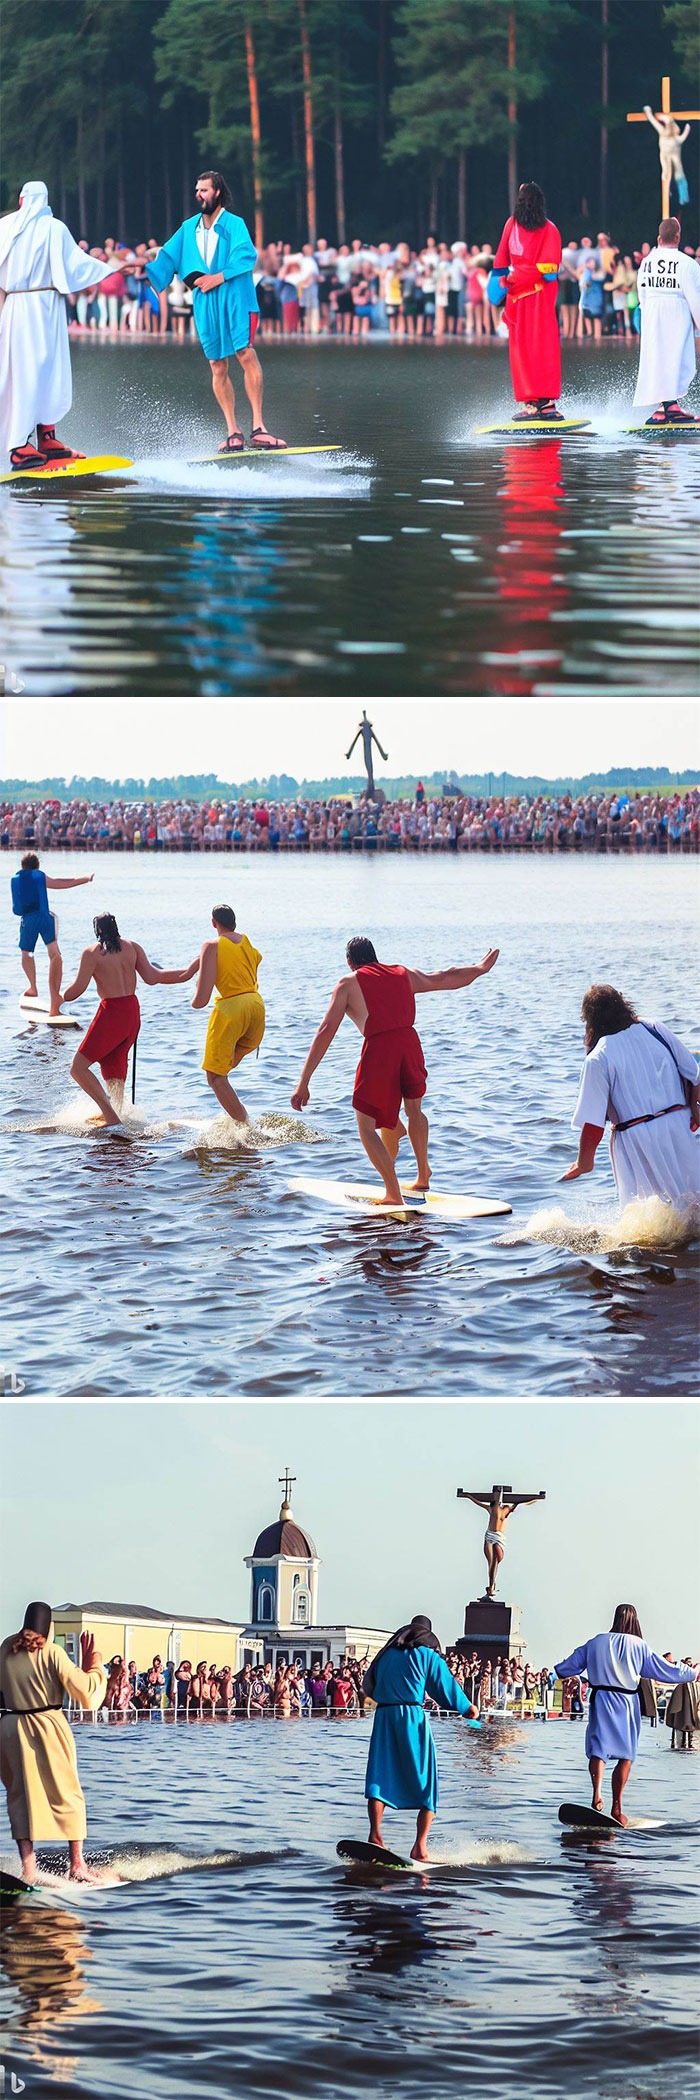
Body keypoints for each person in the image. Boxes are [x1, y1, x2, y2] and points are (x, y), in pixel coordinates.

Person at [291, 935, 499, 1205]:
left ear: (349, 962)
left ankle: (393, 1193)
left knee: (365, 1127)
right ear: (375, 956)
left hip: (380, 1050)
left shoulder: (347, 983)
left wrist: (304, 1081)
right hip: (410, 1044)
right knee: (414, 1110)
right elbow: (444, 977)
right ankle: (423, 1175)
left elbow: (325, 1030)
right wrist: (479, 969)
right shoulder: (404, 973)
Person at [146, 171, 285, 453]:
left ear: (218, 192)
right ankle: (233, 431)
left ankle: (259, 428)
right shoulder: (188, 227)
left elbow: (246, 255)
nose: (199, 194)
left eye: (204, 190)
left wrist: (217, 277)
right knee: (216, 364)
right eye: (197, 190)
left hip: (235, 295)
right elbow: (168, 256)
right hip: (205, 300)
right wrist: (140, 268)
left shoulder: (234, 224)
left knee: (245, 352)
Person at [0, 181, 113, 470]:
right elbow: (78, 266)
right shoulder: (53, 227)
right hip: (41, 308)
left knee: (43, 371)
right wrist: (112, 268)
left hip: (20, 306)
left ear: (22, 199)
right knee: (31, 372)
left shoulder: (6, 227)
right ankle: (18, 446)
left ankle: (46, 437)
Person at [555, 1603, 699, 1824]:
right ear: (635, 1621)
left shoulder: (596, 1642)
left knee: (598, 1749)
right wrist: (692, 1672)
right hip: (626, 1701)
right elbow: (665, 1669)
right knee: (626, 1755)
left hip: (601, 1699)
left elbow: (567, 1667)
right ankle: (617, 1807)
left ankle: (596, 1794)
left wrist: (564, 1670)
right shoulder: (638, 1645)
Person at [562, 983, 699, 1210]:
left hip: (637, 1141)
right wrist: (695, 1110)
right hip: (679, 1128)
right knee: (694, 1202)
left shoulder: (598, 1057)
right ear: (624, 1006)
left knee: (654, 1219)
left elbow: (594, 1124)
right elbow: (695, 1075)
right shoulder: (654, 1028)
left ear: (590, 1021)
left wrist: (583, 1164)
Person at [0, 1601, 109, 1883]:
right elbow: (86, 1695)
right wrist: (94, 1665)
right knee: (68, 1794)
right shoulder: (52, 1652)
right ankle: (77, 1866)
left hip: (10, 1728)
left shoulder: (5, 1648)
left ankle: (29, 1869)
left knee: (19, 1797)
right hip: (46, 1725)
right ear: (49, 1628)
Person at [63, 912, 198, 1129]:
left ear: (97, 931)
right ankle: (117, 1112)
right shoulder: (132, 947)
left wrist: (58, 995)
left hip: (111, 1012)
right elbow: (154, 978)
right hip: (132, 1012)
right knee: (113, 1068)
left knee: (78, 1068)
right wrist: (192, 970)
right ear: (116, 928)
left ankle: (110, 1115)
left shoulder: (92, 953)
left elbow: (75, 991)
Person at [362, 1616, 479, 1861]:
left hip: (383, 1717)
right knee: (428, 1782)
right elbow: (446, 1687)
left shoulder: (386, 1655)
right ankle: (420, 1846)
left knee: (379, 1776)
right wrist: (468, 1708)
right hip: (411, 1718)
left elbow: (369, 1685)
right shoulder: (427, 1656)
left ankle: (375, 1834)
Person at [489, 181, 563, 420]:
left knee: (528, 348)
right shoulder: (546, 228)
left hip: (527, 296)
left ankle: (539, 404)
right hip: (532, 295)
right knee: (537, 347)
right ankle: (540, 403)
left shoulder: (517, 225)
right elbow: (548, 270)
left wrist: (509, 280)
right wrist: (506, 279)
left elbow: (547, 269)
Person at [191, 904, 265, 1126]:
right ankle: (237, 1116)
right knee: (224, 1068)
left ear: (214, 923)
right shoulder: (247, 941)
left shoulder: (211, 945)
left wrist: (194, 996)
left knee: (214, 1076)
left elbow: (201, 1001)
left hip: (232, 1010)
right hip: (256, 1006)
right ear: (234, 922)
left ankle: (245, 1126)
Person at [633, 217, 700, 424]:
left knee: (657, 358)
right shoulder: (688, 263)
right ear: (678, 237)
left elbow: (641, 291)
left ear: (659, 238)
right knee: (676, 358)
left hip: (652, 311)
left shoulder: (646, 262)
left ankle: (664, 406)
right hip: (676, 312)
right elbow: (695, 297)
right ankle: (669, 407)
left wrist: (645, 313)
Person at [11, 851, 94, 1017]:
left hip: (28, 919)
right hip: (44, 918)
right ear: (37, 866)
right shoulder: (39, 876)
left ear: (22, 866)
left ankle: (33, 988)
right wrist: (84, 879)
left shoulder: (16, 879)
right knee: (55, 956)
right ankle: (55, 1000)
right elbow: (60, 883)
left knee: (27, 954)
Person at [460, 1488, 544, 1598]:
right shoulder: (491, 1508)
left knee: (495, 1559)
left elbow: (524, 1503)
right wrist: (467, 1495)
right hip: (490, 1535)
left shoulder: (507, 1509)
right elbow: (477, 1502)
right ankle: (491, 1585)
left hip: (499, 1537)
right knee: (490, 1562)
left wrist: (537, 1498)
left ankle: (491, 1586)